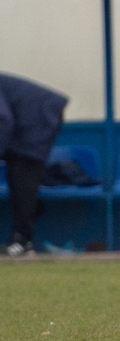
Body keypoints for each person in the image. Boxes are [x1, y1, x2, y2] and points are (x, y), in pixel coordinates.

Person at [0, 72, 68, 256]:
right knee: (20, 176)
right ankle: (23, 237)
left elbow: (3, 120)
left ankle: (22, 241)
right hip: (29, 123)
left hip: (40, 119)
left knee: (23, 176)